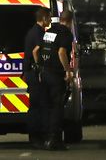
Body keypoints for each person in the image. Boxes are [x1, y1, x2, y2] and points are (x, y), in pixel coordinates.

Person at [33, 10, 74, 150]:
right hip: (56, 75)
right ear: (70, 21)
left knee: (48, 107)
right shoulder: (66, 33)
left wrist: (40, 67)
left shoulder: (49, 31)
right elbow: (61, 52)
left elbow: (36, 51)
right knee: (57, 107)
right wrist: (68, 71)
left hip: (44, 74)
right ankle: (54, 140)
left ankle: (45, 138)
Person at [23, 7, 51, 148]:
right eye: (49, 18)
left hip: (30, 73)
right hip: (35, 74)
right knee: (39, 106)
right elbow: (36, 50)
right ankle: (37, 137)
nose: (50, 20)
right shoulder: (39, 32)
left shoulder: (32, 31)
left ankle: (34, 137)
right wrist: (40, 66)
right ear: (44, 18)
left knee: (35, 106)